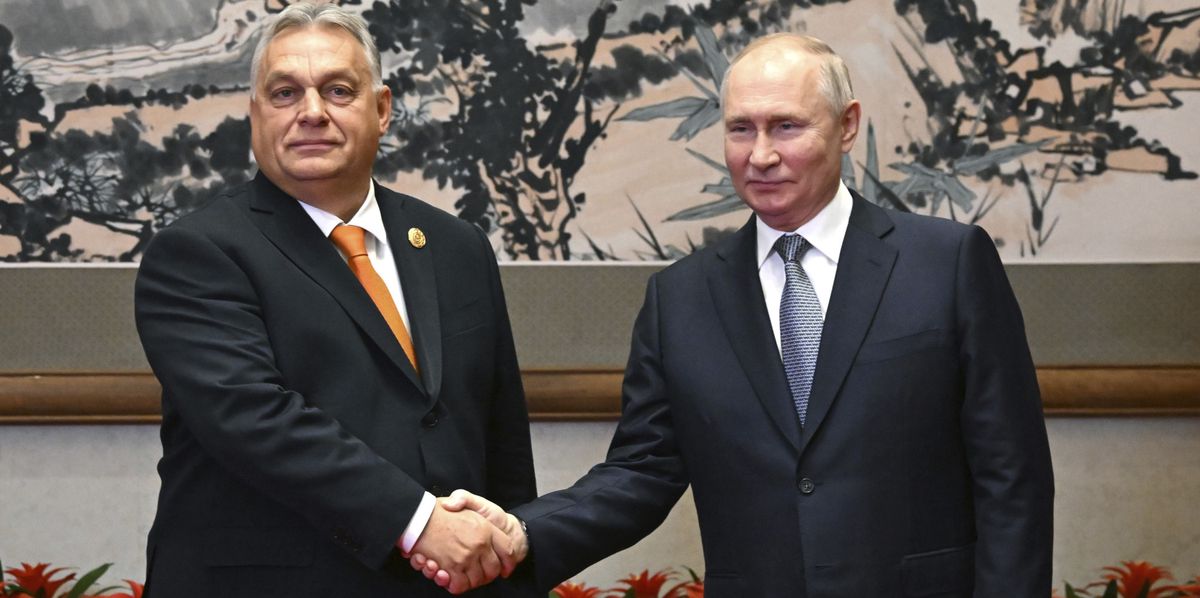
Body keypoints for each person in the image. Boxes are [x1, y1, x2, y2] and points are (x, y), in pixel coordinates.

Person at [417, 33, 1054, 596]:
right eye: (740, 128)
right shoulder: (681, 298)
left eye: (786, 127)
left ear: (847, 123)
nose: (760, 154)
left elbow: (1013, 477)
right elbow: (641, 471)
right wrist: (524, 531)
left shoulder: (946, 263)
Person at [133, 3, 535, 596]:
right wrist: (418, 521)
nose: (311, 113)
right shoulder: (196, 253)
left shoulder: (457, 245)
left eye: (338, 90)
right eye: (285, 93)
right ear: (254, 113)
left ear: (382, 108)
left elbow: (499, 437)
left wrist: (513, 562)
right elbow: (255, 420)